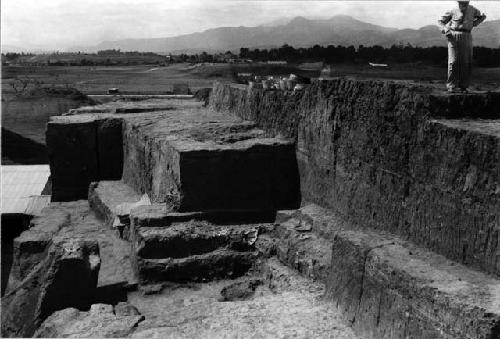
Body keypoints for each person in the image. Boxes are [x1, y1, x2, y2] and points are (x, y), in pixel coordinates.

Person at [438, 1, 486, 93]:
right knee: (453, 61)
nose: (464, 4)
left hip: (467, 35)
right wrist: (446, 30)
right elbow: (440, 21)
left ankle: (464, 86)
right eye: (462, 2)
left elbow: (482, 16)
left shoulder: (473, 10)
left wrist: (476, 22)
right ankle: (451, 85)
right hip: (453, 35)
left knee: (466, 61)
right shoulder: (452, 10)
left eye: (466, 2)